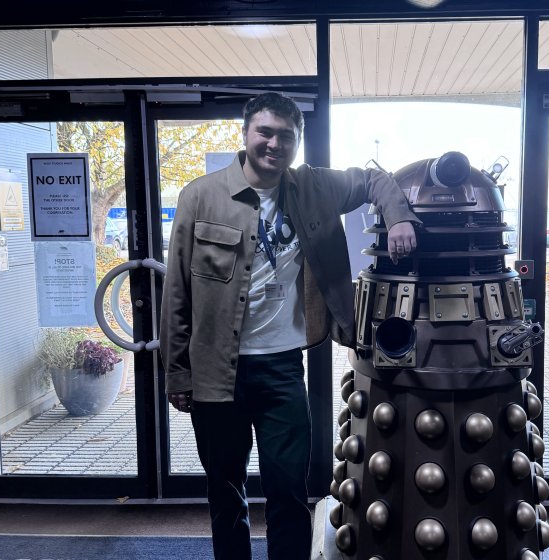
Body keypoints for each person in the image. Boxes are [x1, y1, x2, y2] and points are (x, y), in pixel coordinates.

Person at [159, 92, 420, 560]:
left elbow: (377, 180)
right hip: (215, 374)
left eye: (286, 136)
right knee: (225, 492)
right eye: (265, 132)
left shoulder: (315, 187)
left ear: (297, 142)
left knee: (289, 493)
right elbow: (176, 290)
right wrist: (176, 372)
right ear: (245, 134)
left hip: (282, 370)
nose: (274, 144)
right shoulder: (199, 195)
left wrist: (399, 218)